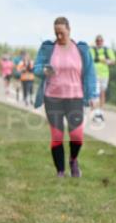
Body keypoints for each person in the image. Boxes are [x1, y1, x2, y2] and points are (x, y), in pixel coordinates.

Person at [33, 17, 98, 178]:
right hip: (52, 98)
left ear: (69, 30)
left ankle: (73, 160)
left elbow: (90, 73)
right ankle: (60, 172)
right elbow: (36, 68)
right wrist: (45, 70)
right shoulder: (48, 48)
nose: (59, 37)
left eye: (61, 33)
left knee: (77, 137)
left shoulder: (81, 49)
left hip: (75, 97)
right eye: (56, 33)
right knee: (57, 136)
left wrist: (91, 95)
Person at [90, 35, 116, 122]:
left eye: (100, 40)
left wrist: (107, 61)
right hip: (94, 74)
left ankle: (100, 112)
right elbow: (91, 59)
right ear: (96, 41)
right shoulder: (92, 49)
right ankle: (95, 112)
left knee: (102, 92)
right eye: (97, 40)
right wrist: (103, 59)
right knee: (95, 93)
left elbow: (113, 61)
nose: (99, 42)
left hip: (104, 74)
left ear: (103, 41)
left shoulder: (107, 50)